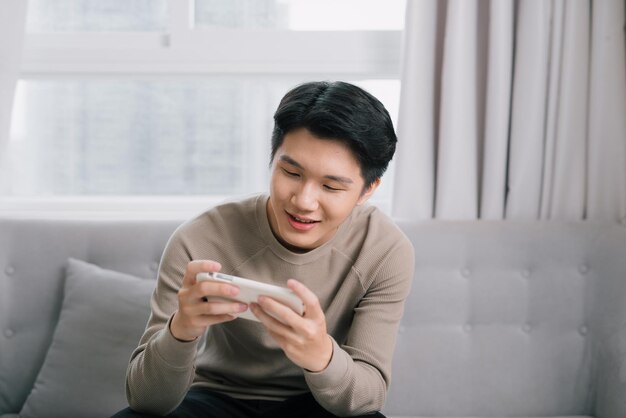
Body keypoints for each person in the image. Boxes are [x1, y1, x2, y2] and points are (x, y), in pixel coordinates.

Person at [112, 81, 415, 418]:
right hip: (214, 399)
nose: (303, 201)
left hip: (317, 405)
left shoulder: (386, 251)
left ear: (368, 189)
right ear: (272, 160)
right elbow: (145, 400)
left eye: (330, 186)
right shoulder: (199, 239)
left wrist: (321, 354)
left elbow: (367, 398)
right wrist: (180, 331)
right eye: (290, 172)